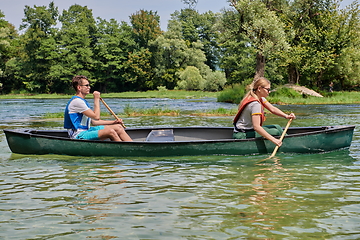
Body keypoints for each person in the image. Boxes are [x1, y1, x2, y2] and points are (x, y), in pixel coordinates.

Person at [64, 75, 132, 142]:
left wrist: (114, 122)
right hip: (78, 135)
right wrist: (96, 99)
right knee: (110, 131)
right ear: (79, 87)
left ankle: (133, 146)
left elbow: (94, 122)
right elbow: (96, 117)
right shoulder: (77, 102)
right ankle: (123, 150)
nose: (89, 87)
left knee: (118, 127)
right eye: (86, 85)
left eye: (89, 85)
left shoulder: (82, 101)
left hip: (87, 131)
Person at [233, 77, 296, 147]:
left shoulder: (260, 98)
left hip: (248, 131)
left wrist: (286, 116)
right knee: (276, 131)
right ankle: (289, 144)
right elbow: (256, 127)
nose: (269, 92)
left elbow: (272, 109)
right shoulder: (255, 104)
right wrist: (274, 140)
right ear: (259, 88)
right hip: (242, 135)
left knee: (277, 127)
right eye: (268, 89)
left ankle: (289, 142)